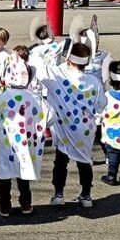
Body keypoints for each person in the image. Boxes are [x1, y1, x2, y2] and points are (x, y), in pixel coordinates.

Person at [40, 42, 106, 208]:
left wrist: (57, 45)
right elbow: (101, 104)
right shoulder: (94, 82)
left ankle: (58, 194)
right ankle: (86, 195)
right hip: (85, 129)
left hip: (64, 127)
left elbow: (39, 63)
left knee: (61, 161)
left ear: (68, 59)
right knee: (84, 161)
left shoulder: (57, 78)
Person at [0, 55, 46, 216]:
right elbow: (49, 115)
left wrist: (1, 121)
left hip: (8, 140)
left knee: (6, 173)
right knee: (23, 171)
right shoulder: (34, 97)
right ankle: (26, 203)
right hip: (27, 141)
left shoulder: (5, 96)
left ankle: (5, 205)